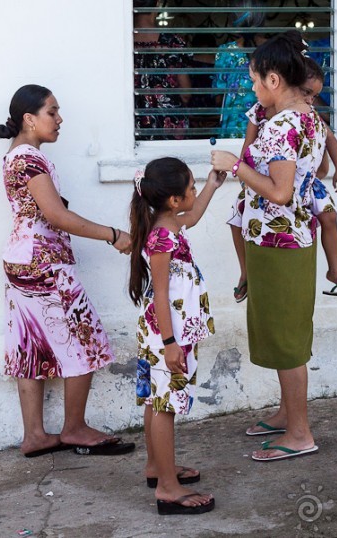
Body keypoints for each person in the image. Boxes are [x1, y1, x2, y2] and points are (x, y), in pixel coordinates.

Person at [0, 84, 136, 458]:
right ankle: (74, 428)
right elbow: (57, 216)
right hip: (45, 264)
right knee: (85, 338)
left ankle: (35, 435)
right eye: (52, 112)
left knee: (29, 346)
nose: (59, 120)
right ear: (29, 119)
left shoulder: (14, 156)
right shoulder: (30, 160)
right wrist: (113, 235)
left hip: (20, 261)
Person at [210, 30, 324, 461]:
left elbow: (279, 192)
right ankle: (286, 414)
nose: (254, 88)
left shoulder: (280, 127)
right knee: (284, 333)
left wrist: (235, 165)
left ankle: (299, 433)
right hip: (295, 237)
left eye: (256, 80)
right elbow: (315, 174)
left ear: (274, 80)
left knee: (286, 340)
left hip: (278, 243)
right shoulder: (311, 119)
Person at [128, 157, 224, 514]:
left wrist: (213, 184)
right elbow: (162, 295)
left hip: (163, 333)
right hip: (167, 335)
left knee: (156, 400)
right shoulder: (162, 239)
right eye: (192, 187)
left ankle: (157, 467)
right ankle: (168, 488)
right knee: (165, 407)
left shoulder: (166, 224)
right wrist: (170, 345)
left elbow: (193, 216)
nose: (194, 192)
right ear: (173, 200)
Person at [227, 58, 337, 301]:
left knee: (329, 216)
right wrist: (243, 171)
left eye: (314, 96)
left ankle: (335, 271)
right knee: (237, 219)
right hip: (267, 181)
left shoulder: (307, 115)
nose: (310, 100)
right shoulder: (262, 111)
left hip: (303, 183)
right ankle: (245, 273)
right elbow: (248, 146)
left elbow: (329, 139)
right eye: (307, 92)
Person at [133, 0, 192, 140]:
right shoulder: (172, 43)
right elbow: (185, 94)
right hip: (169, 126)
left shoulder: (120, 41)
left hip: (134, 125)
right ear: (158, 3)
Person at [213, 2, 267, 138]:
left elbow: (219, 98)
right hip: (266, 128)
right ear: (262, 20)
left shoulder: (226, 52)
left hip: (233, 128)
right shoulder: (275, 50)